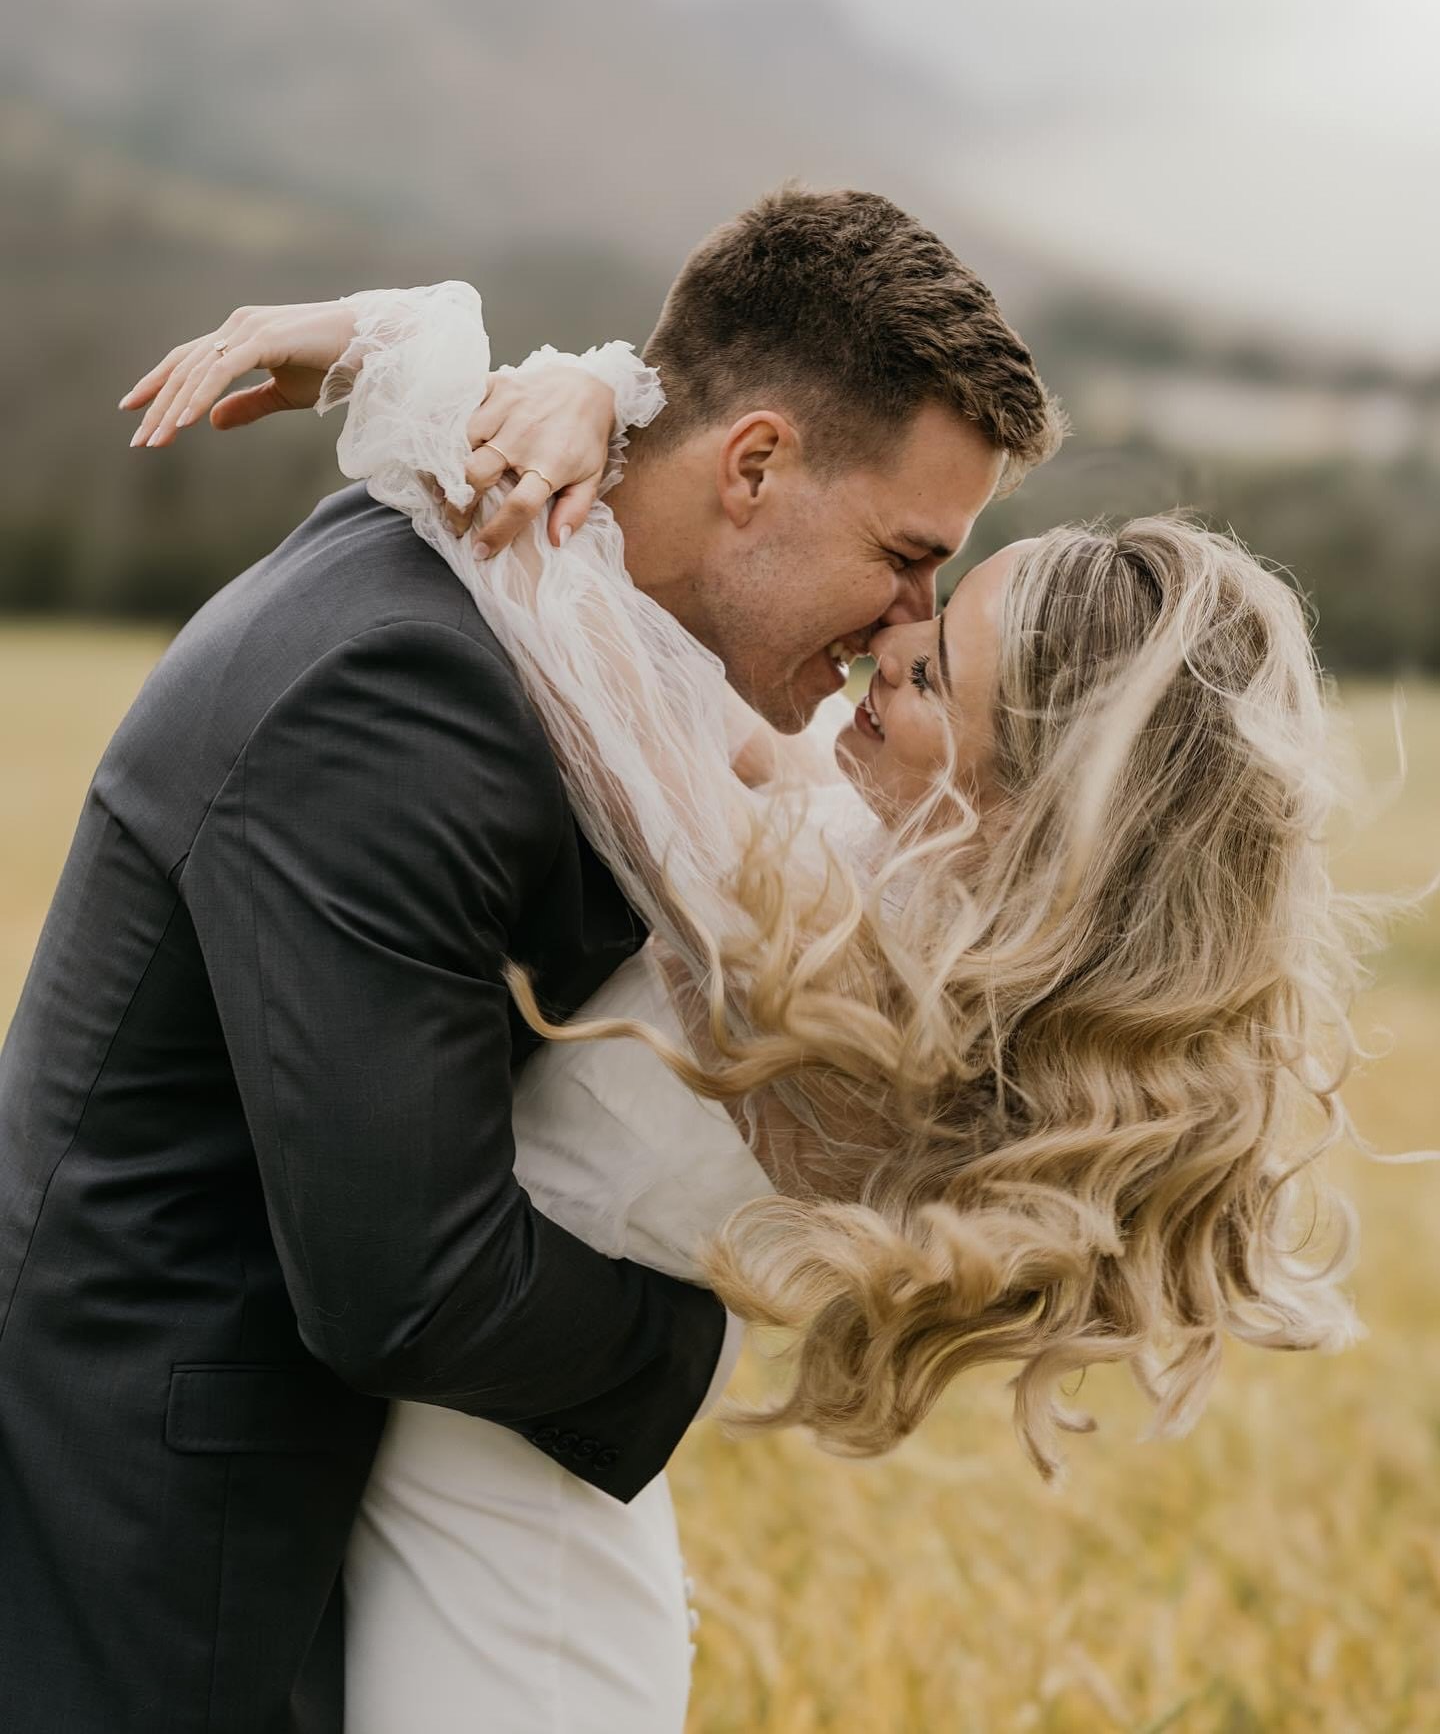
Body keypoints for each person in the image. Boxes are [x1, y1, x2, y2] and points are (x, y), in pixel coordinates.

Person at [123, 250, 1394, 1730]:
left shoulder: (832, 943)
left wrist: (434, 349)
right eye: (918, 602)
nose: (879, 661)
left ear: (1027, 802)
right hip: (485, 1471)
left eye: (929, 681)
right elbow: (653, 644)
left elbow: (559, 612)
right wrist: (601, 399)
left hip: (509, 1551)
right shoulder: (899, 889)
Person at [0, 187, 1061, 1734]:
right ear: (754, 464)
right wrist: (702, 1337)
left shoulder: (546, 589)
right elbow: (405, 1286)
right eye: (908, 557)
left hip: (356, 1480)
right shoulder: (401, 686)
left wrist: (537, 375)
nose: (908, 627)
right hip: (164, 1509)